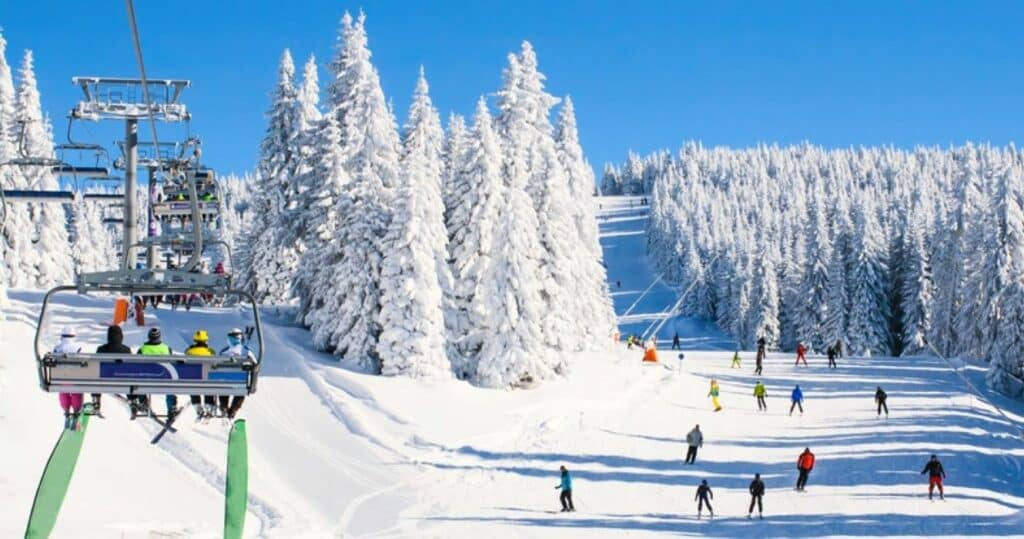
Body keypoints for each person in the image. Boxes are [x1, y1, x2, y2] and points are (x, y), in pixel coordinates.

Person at [138, 327, 177, 420]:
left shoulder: (143, 349)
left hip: (146, 379)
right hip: (164, 379)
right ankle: (171, 408)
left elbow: (137, 365)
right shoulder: (166, 348)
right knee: (171, 385)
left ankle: (143, 402)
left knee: (138, 380)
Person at [95, 325, 132, 415]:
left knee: (95, 375)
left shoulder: (101, 349)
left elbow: (96, 365)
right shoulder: (126, 350)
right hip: (123, 380)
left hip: (104, 380)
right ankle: (132, 399)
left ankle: (96, 400)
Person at [219, 327, 256, 418]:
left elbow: (216, 365)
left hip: (224, 382)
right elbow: (254, 363)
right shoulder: (246, 351)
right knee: (240, 392)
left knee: (223, 389)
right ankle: (233, 410)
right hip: (240, 383)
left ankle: (224, 407)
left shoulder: (224, 352)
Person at [53, 327, 84, 429]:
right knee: (76, 391)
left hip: (60, 379)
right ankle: (76, 412)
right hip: (75, 378)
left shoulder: (57, 348)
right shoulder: (78, 347)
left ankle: (66, 412)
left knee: (63, 390)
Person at [186, 330, 217, 418]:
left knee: (193, 382)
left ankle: (197, 405)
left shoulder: (189, 351)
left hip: (193, 382)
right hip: (207, 381)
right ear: (206, 340)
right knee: (209, 382)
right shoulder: (210, 352)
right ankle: (209, 405)